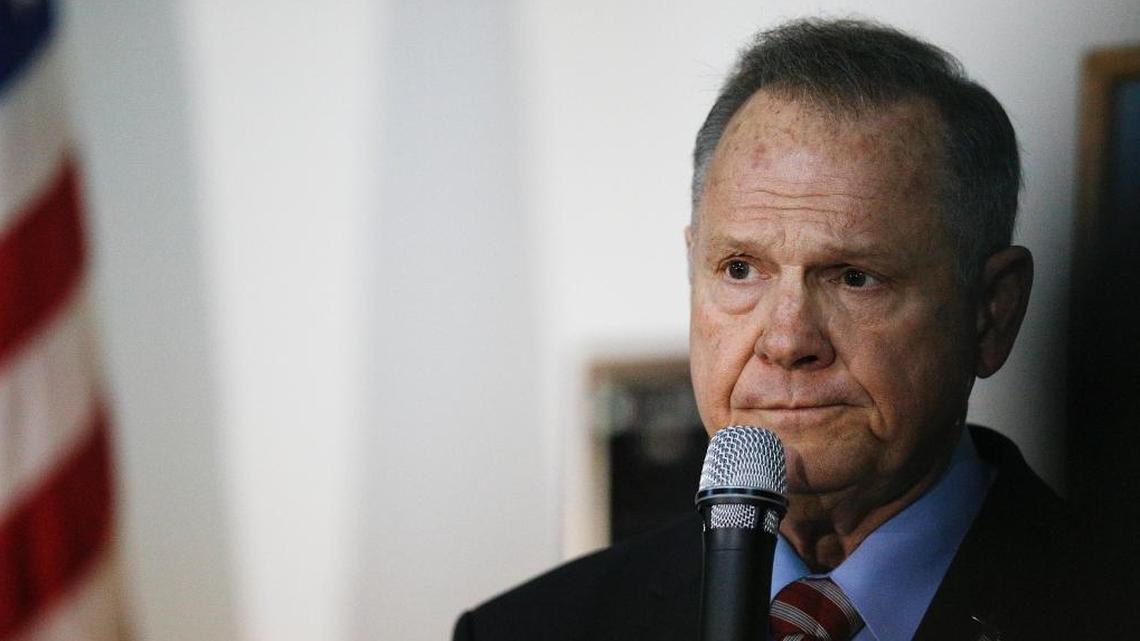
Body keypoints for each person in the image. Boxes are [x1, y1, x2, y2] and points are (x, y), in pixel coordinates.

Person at [454, 19, 1103, 641]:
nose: (788, 340)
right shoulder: (529, 630)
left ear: (993, 310)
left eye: (855, 276)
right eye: (740, 269)